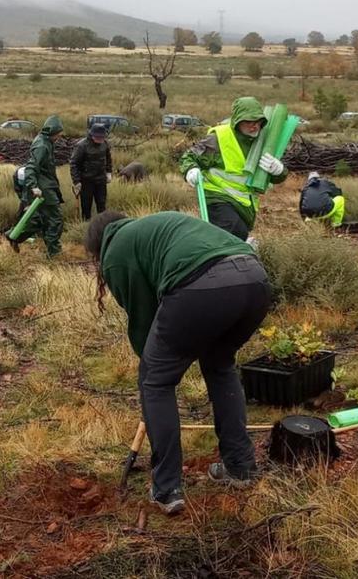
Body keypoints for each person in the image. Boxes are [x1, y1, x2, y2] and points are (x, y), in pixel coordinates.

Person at [85, 210, 271, 515]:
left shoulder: (115, 252)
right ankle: (241, 467)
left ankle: (166, 488)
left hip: (204, 285)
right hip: (254, 279)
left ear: (97, 247)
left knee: (156, 382)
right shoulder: (149, 230)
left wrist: (152, 371)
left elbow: (143, 318)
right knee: (220, 366)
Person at [178, 97, 287, 240]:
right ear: (237, 121)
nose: (254, 126)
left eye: (257, 121)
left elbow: (275, 178)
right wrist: (190, 170)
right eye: (248, 121)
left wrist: (279, 171)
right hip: (217, 197)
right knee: (234, 231)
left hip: (244, 204)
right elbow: (189, 157)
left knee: (237, 235)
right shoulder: (218, 139)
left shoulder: (264, 141)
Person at [8, 115, 66, 256]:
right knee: (55, 219)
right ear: (52, 132)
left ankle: (13, 236)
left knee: (39, 221)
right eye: (58, 133)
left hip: (47, 186)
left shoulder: (47, 141)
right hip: (43, 189)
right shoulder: (42, 145)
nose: (60, 136)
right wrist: (34, 186)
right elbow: (31, 168)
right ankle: (54, 251)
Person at [70, 123, 113, 221]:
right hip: (86, 181)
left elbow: (108, 159)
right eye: (98, 137)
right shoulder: (81, 146)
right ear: (92, 135)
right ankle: (86, 225)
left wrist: (109, 172)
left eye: (102, 137)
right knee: (86, 206)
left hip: (101, 180)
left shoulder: (105, 144)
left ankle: (102, 224)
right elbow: (74, 163)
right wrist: (76, 181)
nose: (100, 139)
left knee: (102, 205)